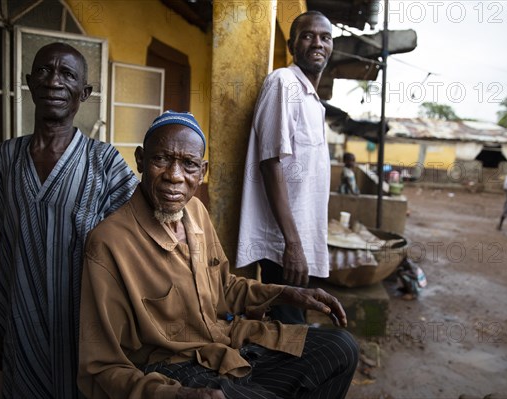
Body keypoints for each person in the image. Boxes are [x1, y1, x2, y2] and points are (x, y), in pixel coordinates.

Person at [78, 111, 359, 399]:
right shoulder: (108, 243)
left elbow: (224, 286)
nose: (174, 176)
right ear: (140, 160)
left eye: (189, 164)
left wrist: (288, 293)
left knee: (341, 349)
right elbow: (101, 368)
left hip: (228, 344)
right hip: (173, 371)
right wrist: (177, 396)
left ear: (203, 171)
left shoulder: (196, 212)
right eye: (161, 159)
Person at [0, 42, 138, 398]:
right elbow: (7, 242)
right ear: (29, 82)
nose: (54, 82)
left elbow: (136, 245)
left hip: (84, 327)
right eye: (44, 71)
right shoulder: (6, 157)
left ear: (85, 92)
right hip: (19, 323)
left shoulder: (104, 162)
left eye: (67, 74)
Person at [236, 11, 334, 324]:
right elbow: (270, 162)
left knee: (291, 334)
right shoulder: (283, 83)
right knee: (287, 339)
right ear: (292, 45)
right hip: (284, 247)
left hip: (298, 245)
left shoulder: (313, 101)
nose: (317, 42)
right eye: (308, 35)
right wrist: (292, 244)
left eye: (325, 37)